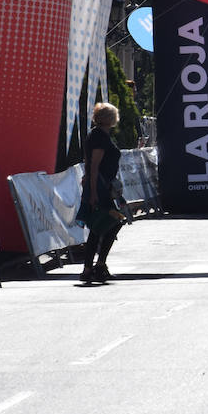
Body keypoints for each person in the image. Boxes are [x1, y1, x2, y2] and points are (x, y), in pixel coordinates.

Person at [77, 102, 126, 284]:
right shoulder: (99, 136)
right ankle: (96, 266)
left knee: (102, 226)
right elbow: (94, 164)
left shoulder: (100, 135)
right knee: (108, 223)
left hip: (103, 186)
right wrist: (93, 192)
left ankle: (93, 266)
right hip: (100, 187)